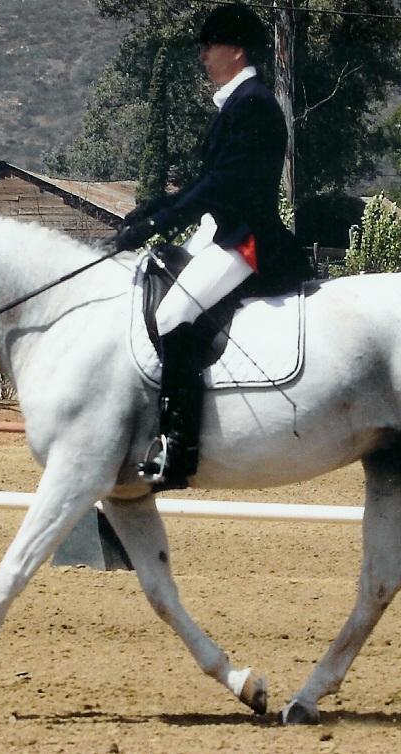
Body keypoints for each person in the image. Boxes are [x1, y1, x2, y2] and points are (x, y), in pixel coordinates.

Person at [113, 3, 313, 491]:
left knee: (172, 315)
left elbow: (222, 185)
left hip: (248, 240)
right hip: (220, 230)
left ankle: (180, 448)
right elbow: (204, 184)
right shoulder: (237, 104)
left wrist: (159, 220)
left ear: (236, 50)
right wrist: (151, 210)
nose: (202, 54)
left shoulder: (254, 104)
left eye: (209, 45)